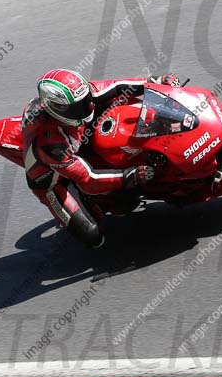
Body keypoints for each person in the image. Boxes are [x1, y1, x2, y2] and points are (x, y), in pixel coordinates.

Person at [21, 68, 179, 248]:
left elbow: (118, 86)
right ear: (59, 109)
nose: (89, 105)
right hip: (53, 182)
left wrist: (155, 81)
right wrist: (128, 176)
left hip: (79, 141)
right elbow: (89, 179)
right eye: (80, 105)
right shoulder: (52, 144)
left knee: (118, 98)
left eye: (87, 99)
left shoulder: (79, 98)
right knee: (92, 236)